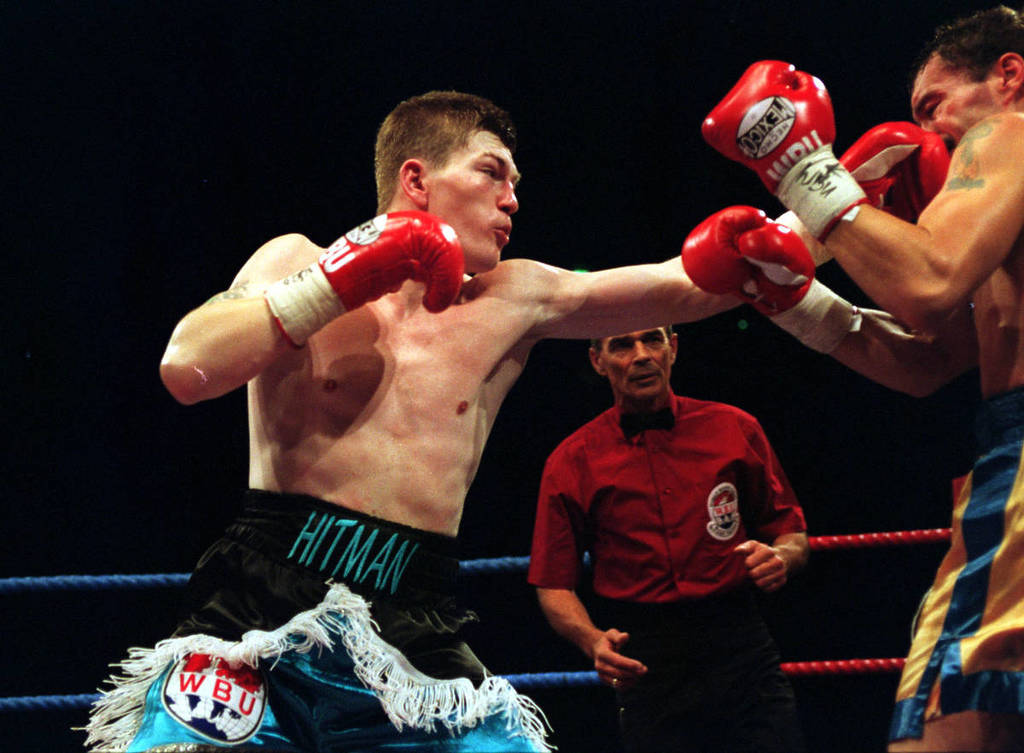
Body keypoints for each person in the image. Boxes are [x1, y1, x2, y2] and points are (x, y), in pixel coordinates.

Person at [82, 90, 770, 753]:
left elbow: (688, 282)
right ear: (417, 178)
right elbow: (186, 367)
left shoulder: (514, 297)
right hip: (262, 602)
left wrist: (820, 196)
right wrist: (338, 280)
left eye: (516, 181)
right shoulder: (296, 259)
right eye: (492, 172)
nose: (512, 198)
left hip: (416, 615)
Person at [685, 5, 1024, 750]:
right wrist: (799, 301)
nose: (930, 138)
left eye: (934, 106)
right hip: (1004, 448)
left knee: (947, 726)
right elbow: (933, 358)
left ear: (1009, 76)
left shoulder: (1011, 131)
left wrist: (798, 163)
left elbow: (930, 282)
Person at [527, 324, 809, 753]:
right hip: (647, 658)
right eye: (622, 344)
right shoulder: (571, 460)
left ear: (672, 348)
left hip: (740, 642)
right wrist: (590, 638)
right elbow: (553, 583)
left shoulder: (734, 428)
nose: (641, 355)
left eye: (653, 339)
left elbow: (790, 532)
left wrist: (781, 558)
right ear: (597, 361)